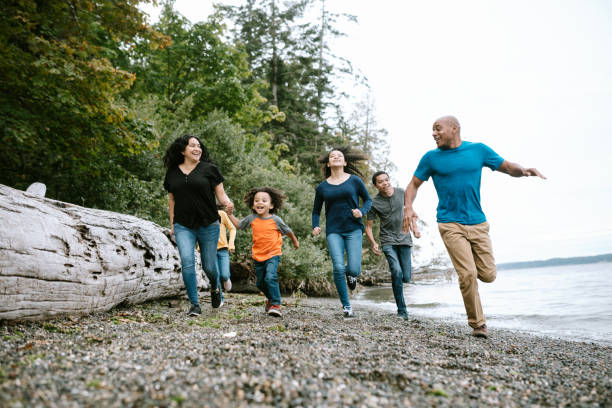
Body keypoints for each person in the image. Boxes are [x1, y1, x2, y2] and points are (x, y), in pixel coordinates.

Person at [402, 116, 546, 338]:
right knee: (467, 274)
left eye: (438, 129)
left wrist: (524, 170)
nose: (434, 133)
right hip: (449, 222)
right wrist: (408, 207)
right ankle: (478, 324)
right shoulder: (431, 158)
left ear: (454, 128)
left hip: (478, 222)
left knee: (488, 275)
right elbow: (413, 184)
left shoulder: (478, 150)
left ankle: (473, 275)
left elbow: (507, 167)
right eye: (432, 130)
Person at [163, 135, 234, 316]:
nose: (197, 148)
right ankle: (194, 304)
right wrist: (172, 223)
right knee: (187, 262)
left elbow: (222, 195)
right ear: (182, 150)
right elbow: (172, 200)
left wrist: (228, 204)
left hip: (208, 223)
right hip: (183, 225)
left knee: (209, 266)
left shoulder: (210, 169)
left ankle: (215, 287)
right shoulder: (172, 172)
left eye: (199, 146)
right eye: (192, 146)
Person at [312, 147, 372, 318]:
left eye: (339, 156)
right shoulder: (322, 187)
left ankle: (350, 275)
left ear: (345, 162)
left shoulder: (354, 181)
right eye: (332, 156)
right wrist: (315, 225)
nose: (336, 157)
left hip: (353, 228)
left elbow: (368, 199)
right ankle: (346, 306)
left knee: (354, 269)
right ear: (329, 163)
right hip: (334, 230)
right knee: (337, 267)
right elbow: (316, 211)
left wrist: (361, 211)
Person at [227, 187, 299, 317]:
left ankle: (276, 304)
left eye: (264, 200)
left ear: (271, 205)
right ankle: (271, 299)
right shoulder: (252, 218)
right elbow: (238, 225)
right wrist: (230, 214)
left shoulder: (276, 220)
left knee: (270, 277)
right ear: (253, 205)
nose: (260, 202)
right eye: (257, 200)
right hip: (258, 256)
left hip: (273, 254)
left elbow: (288, 231)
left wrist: (295, 241)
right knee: (260, 283)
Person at [365, 171, 416, 321]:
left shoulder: (402, 193)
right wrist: (374, 243)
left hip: (405, 239)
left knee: (406, 277)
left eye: (386, 180)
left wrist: (415, 228)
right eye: (380, 182)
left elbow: (411, 212)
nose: (385, 183)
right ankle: (402, 311)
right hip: (387, 240)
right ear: (375, 185)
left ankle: (398, 283)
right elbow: (368, 226)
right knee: (396, 271)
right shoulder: (374, 203)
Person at [215, 205, 236, 307]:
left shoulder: (221, 214)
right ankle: (220, 299)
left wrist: (231, 244)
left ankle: (227, 279)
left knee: (224, 275)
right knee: (215, 275)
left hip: (223, 249)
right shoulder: (202, 214)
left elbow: (232, 228)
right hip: (209, 251)